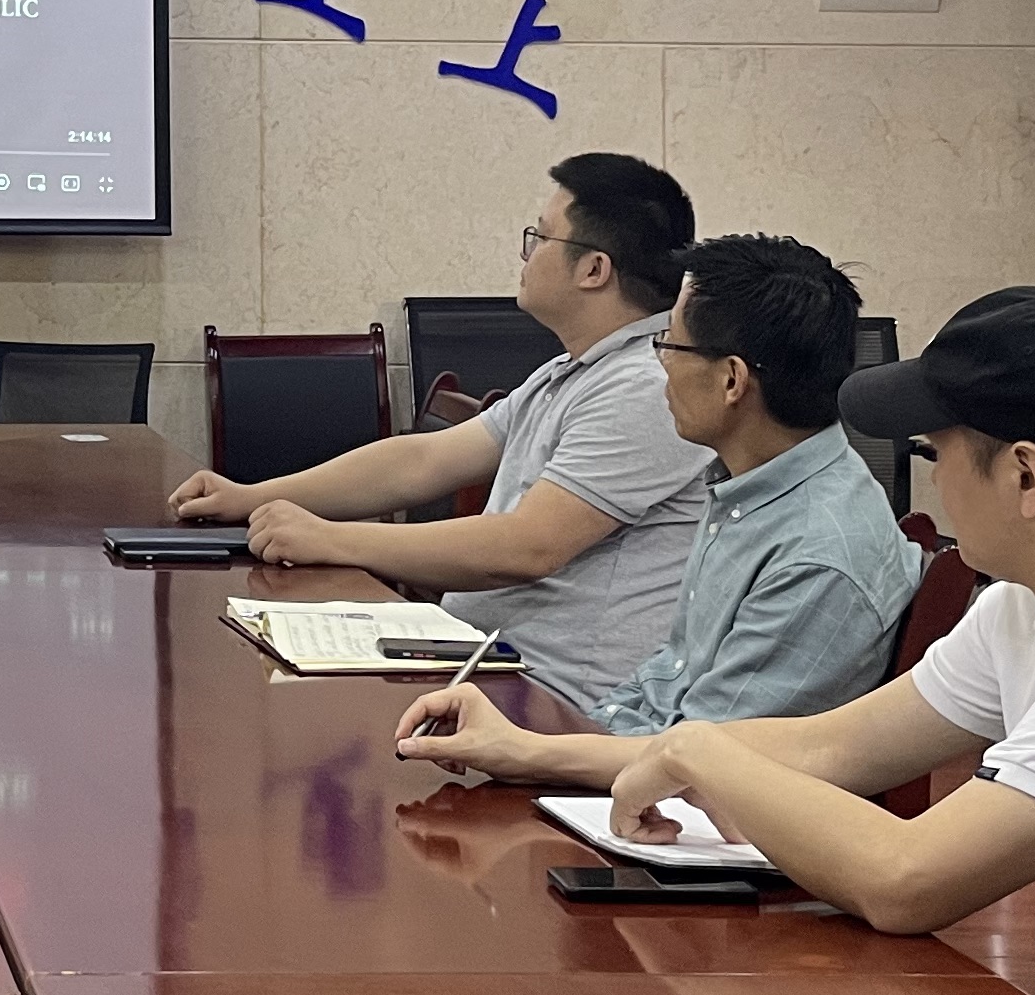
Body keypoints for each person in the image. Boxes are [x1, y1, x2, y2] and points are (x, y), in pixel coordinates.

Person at [598, 284, 1035, 960]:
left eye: (938, 453)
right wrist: (561, 753)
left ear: (1026, 477)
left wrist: (700, 754)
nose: (934, 481)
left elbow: (908, 880)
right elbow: (832, 747)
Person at [170, 153, 714, 709]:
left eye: (540, 238)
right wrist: (250, 496)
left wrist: (330, 538)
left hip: (558, 701)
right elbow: (422, 462)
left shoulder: (643, 386)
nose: (524, 254)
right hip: (483, 663)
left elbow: (527, 547)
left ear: (593, 270)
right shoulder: (575, 370)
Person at [391, 232, 922, 787]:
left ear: (732, 380)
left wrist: (528, 753)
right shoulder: (753, 483)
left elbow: (709, 763)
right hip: (644, 769)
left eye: (670, 343)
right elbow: (667, 675)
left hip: (694, 816)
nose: (660, 363)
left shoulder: (818, 555)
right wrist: (554, 738)